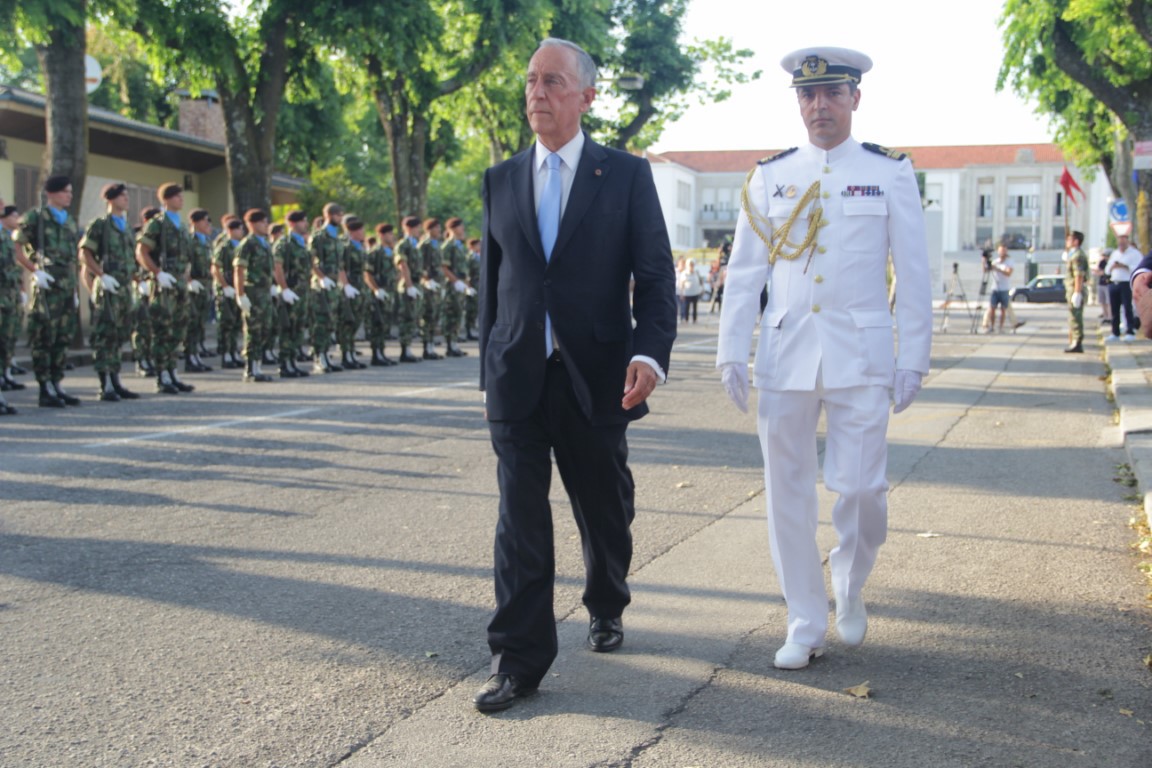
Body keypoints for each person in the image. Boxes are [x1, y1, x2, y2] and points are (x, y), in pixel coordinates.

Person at [473, 37, 677, 713]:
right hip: (519, 377)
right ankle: (518, 660)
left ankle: (606, 599)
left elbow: (654, 280)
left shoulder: (623, 176)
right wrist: (488, 379)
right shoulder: (500, 179)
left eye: (553, 81)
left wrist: (648, 356)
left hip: (597, 374)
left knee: (603, 503)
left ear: (587, 96)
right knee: (519, 519)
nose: (538, 92)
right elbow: (492, 290)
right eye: (531, 80)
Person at [716, 47, 932, 671]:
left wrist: (913, 355)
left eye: (832, 93)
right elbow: (745, 272)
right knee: (786, 493)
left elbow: (913, 273)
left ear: (855, 99)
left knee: (862, 488)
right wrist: (733, 349)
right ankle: (804, 621)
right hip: (786, 352)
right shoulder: (771, 175)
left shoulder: (889, 172)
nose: (819, 106)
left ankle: (849, 575)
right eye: (808, 96)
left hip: (861, 353)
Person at [13, 175, 83, 408]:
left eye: (71, 192)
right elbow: (16, 247)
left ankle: (57, 383)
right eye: (65, 191)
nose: (69, 196)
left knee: (63, 337)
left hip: (65, 284)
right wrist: (34, 271)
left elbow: (73, 258)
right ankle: (45, 388)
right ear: (51, 193)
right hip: (46, 285)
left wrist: (74, 289)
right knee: (44, 337)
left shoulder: (69, 221)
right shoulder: (36, 217)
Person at [78, 183, 140, 401]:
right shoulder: (100, 225)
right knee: (105, 335)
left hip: (123, 288)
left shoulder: (126, 228)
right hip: (107, 287)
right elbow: (85, 253)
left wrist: (137, 281)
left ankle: (116, 380)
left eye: (126, 196)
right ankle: (105, 384)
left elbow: (131, 260)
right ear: (111, 199)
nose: (126, 200)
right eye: (122, 196)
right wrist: (100, 276)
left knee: (119, 335)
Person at [136, 183, 196, 394]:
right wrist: (157, 273)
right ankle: (162, 375)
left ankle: (173, 372)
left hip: (179, 283)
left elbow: (185, 257)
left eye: (181, 196)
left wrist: (187, 279)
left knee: (178, 330)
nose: (181, 199)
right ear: (166, 199)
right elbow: (142, 252)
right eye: (177, 196)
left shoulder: (181, 226)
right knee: (163, 330)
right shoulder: (157, 224)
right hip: (163, 284)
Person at [233, 209, 276, 383]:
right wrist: (240, 294)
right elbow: (239, 270)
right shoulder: (247, 244)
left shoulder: (264, 244)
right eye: (262, 222)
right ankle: (250, 368)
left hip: (264, 292)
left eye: (266, 222)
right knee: (253, 330)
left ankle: (258, 365)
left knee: (265, 329)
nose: (266, 225)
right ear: (251, 224)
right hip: (253, 293)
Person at [271, 210, 311, 378]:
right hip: (290, 290)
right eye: (303, 221)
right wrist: (284, 288)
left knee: (298, 328)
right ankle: (285, 364)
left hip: (302, 292)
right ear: (293, 224)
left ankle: (293, 362)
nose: (306, 224)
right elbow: (277, 267)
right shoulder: (284, 244)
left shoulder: (302, 243)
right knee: (287, 329)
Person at [310, 202, 347, 373]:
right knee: (321, 321)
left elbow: (339, 265)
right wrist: (321, 278)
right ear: (330, 215)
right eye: (339, 215)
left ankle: (326, 355)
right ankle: (319, 356)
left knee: (331, 321)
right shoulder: (319, 236)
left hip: (334, 286)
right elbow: (311, 261)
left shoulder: (337, 237)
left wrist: (343, 283)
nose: (341, 218)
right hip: (322, 285)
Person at [212, 216, 245, 370]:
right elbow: (215, 268)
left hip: (236, 288)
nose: (242, 232)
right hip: (226, 289)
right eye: (239, 229)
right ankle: (226, 354)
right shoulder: (224, 247)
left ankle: (233, 352)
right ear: (231, 230)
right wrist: (224, 286)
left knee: (236, 323)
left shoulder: (240, 246)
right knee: (227, 323)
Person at [0, 203, 27, 396]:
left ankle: (5, 373)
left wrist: (21, 289)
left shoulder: (6, 237)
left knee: (7, 338)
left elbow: (13, 268)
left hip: (8, 296)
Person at [364, 223, 399, 366]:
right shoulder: (375, 252)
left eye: (392, 233)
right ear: (381, 235)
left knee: (385, 323)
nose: (392, 236)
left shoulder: (392, 251)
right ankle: (376, 353)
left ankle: (382, 352)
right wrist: (375, 289)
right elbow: (367, 273)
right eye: (389, 234)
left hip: (389, 291)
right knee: (377, 323)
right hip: (379, 291)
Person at [336, 215, 367, 370]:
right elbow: (341, 267)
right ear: (353, 232)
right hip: (350, 287)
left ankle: (351, 352)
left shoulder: (360, 246)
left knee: (356, 319)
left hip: (360, 287)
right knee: (347, 322)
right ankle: (345, 354)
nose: (364, 233)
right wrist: (346, 285)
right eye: (361, 230)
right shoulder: (346, 246)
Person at [184, 208, 213, 373]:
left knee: (200, 322)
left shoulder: (206, 242)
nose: (208, 224)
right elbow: (185, 262)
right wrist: (188, 281)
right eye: (205, 220)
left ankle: (196, 355)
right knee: (192, 322)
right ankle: (190, 357)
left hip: (205, 285)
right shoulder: (190, 241)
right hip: (193, 285)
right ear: (195, 222)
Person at [394, 216, 424, 363]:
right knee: (406, 318)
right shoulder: (403, 245)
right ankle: (404, 350)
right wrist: (409, 285)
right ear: (409, 228)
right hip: (408, 285)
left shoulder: (415, 245)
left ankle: (408, 348)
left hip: (416, 284)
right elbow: (403, 266)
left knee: (413, 317)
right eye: (418, 227)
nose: (419, 230)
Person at [440, 217, 472, 357]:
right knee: (451, 314)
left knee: (458, 314)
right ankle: (449, 344)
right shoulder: (448, 246)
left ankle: (454, 343)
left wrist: (466, 283)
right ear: (452, 229)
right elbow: (444, 268)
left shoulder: (460, 246)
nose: (463, 229)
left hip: (460, 285)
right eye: (460, 227)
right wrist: (456, 282)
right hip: (452, 286)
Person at [1106, 233, 1142, 342]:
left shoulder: (1135, 254)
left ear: (1127, 241)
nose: (1121, 243)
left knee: (1127, 308)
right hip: (1114, 282)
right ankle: (1115, 332)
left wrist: (1124, 266)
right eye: (1119, 241)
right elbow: (1107, 270)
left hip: (1126, 283)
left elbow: (1138, 268)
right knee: (1114, 309)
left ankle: (1130, 330)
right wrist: (1113, 266)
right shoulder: (1115, 253)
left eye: (1123, 240)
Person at [1063, 230, 1089, 353]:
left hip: (1075, 289)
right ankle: (1074, 341)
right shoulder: (1073, 254)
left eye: (1069, 240)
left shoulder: (1078, 256)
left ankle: (1077, 342)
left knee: (1075, 317)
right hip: (1072, 289)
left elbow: (1079, 275)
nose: (1067, 242)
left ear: (1076, 241)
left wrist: (1077, 292)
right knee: (1073, 317)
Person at [981, 245, 1015, 333]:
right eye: (1000, 251)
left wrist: (998, 269)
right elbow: (985, 270)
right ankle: (991, 326)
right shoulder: (996, 261)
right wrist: (984, 261)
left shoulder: (1009, 262)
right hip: (995, 288)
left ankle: (1001, 327)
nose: (1002, 253)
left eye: (1003, 251)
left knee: (1003, 309)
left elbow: (1008, 273)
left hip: (1004, 288)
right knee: (992, 308)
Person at [678, 258, 704, 323]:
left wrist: (702, 289)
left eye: (692, 264)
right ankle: (686, 319)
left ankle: (694, 319)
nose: (691, 266)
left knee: (695, 307)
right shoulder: (684, 273)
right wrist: (681, 293)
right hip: (687, 293)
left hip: (695, 292)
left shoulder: (696, 272)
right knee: (687, 307)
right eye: (690, 264)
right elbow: (681, 284)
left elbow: (700, 281)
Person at [465, 238, 482, 339]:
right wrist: (468, 286)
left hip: (478, 285)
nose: (480, 247)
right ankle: (468, 331)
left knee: (475, 308)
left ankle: (471, 330)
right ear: (472, 246)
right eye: (478, 245)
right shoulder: (469, 257)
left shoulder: (477, 256)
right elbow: (466, 273)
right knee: (470, 309)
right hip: (472, 285)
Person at [1094, 249, 1112, 326]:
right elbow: (1097, 271)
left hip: (1108, 284)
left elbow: (1106, 272)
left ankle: (1110, 317)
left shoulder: (1111, 262)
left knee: (1109, 302)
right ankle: (1105, 316)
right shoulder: (1102, 262)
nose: (1105, 257)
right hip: (1101, 283)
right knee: (1103, 301)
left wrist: (1102, 272)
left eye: (1106, 255)